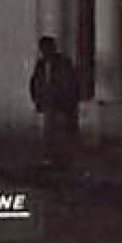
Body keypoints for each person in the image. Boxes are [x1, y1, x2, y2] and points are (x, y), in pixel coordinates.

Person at [29, 36, 84, 166]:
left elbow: (71, 83)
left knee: (62, 132)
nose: (45, 52)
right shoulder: (41, 65)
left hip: (62, 103)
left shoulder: (64, 63)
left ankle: (64, 160)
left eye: (48, 48)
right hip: (48, 103)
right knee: (48, 133)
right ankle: (49, 158)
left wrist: (69, 102)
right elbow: (35, 82)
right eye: (43, 49)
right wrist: (37, 99)